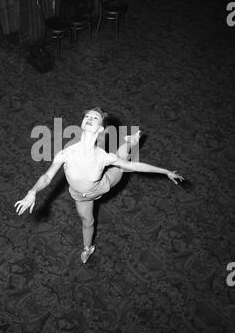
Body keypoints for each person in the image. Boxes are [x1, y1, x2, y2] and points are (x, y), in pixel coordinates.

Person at [14, 107, 184, 264]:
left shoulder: (103, 157)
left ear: (100, 128)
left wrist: (166, 172)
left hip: (104, 185)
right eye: (87, 116)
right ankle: (88, 248)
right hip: (81, 196)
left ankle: (130, 142)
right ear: (82, 123)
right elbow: (47, 176)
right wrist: (32, 192)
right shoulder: (66, 153)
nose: (89, 118)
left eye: (94, 118)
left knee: (120, 162)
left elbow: (136, 166)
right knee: (87, 222)